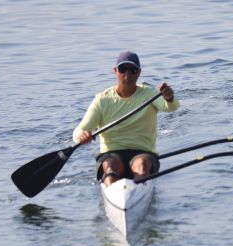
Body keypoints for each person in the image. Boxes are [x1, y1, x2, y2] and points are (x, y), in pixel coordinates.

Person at [73, 51, 179, 186]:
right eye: (123, 70)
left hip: (142, 153)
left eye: (132, 70)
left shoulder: (150, 93)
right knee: (110, 165)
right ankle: (112, 188)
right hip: (112, 154)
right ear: (115, 71)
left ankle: (139, 190)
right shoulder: (102, 100)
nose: (127, 75)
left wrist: (169, 98)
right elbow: (79, 130)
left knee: (141, 164)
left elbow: (172, 107)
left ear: (139, 72)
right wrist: (82, 136)